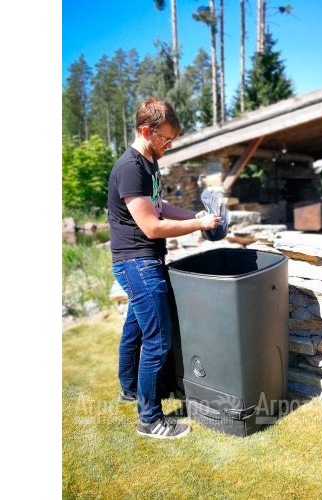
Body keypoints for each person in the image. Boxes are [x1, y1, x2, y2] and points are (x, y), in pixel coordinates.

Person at [107, 97, 222, 439]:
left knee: (135, 330)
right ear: (146, 131)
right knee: (157, 341)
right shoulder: (130, 168)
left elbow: (158, 206)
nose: (169, 146)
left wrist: (196, 215)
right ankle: (150, 419)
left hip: (142, 262)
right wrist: (199, 226)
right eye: (166, 139)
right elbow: (152, 227)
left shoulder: (149, 162)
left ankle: (130, 389)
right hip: (137, 264)